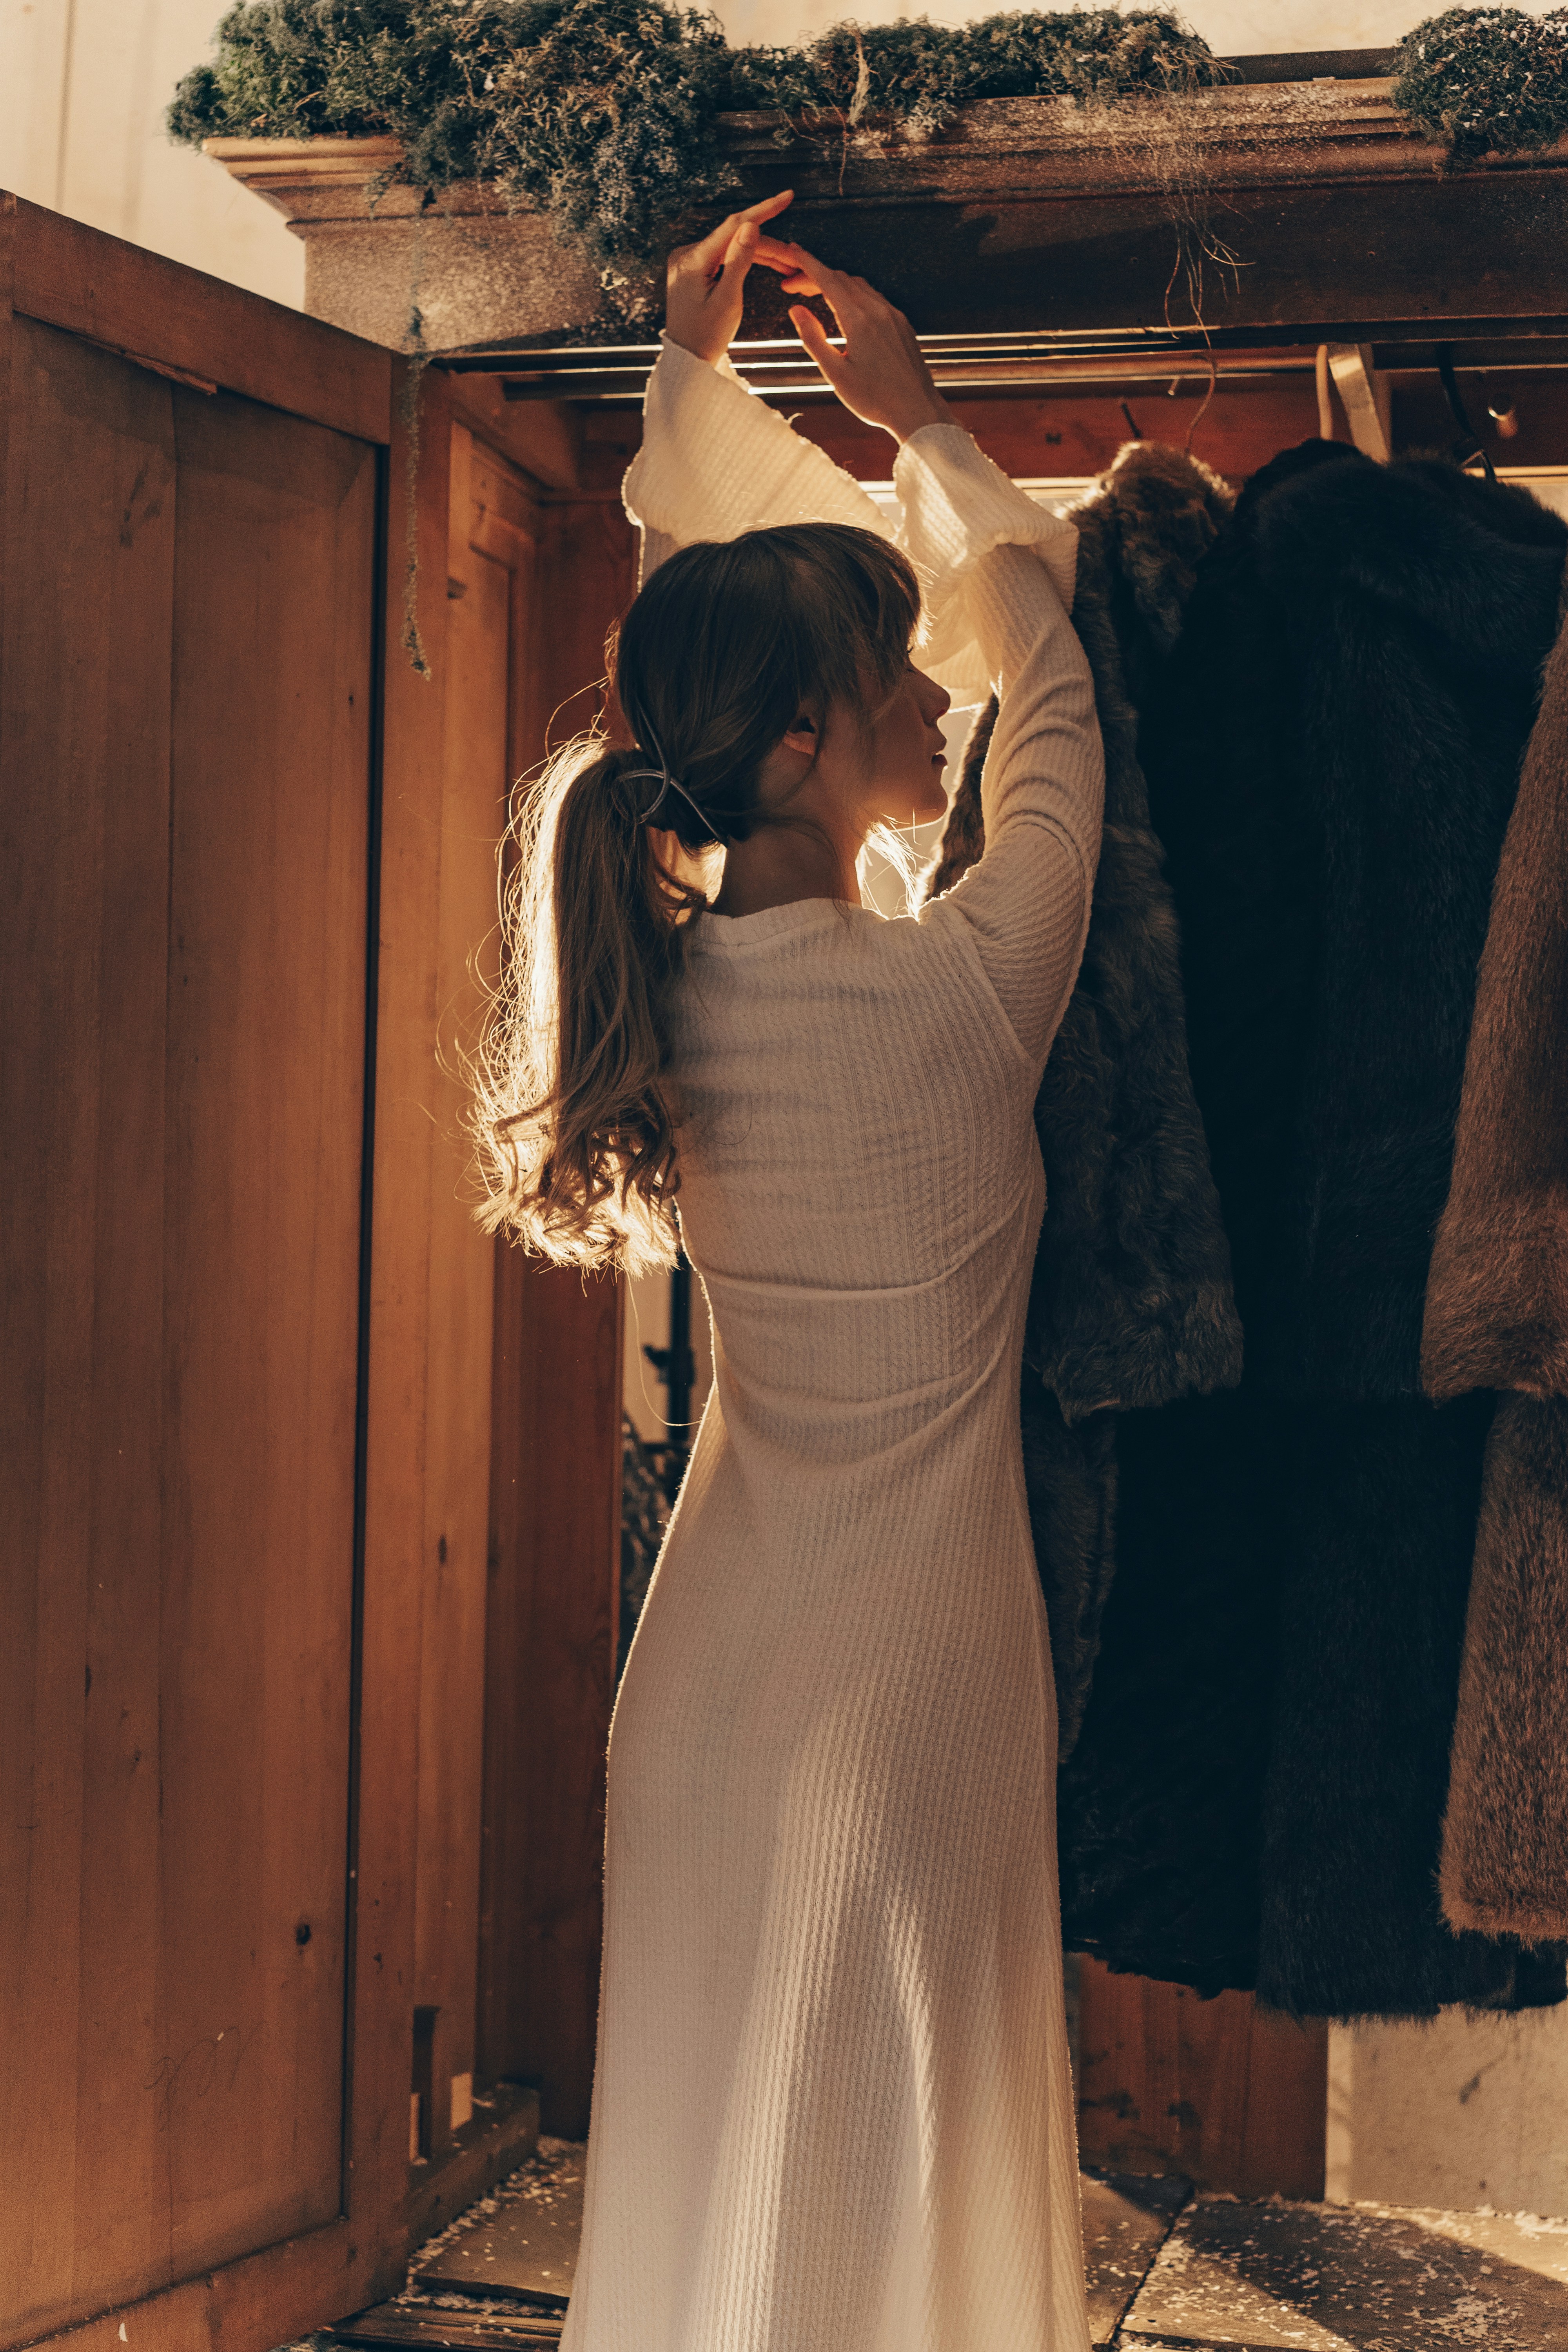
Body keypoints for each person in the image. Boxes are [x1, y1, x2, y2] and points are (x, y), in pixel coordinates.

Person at [474, 190, 1105, 2352]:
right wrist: (914, 425)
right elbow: (1054, 664)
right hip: (928, 1665)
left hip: (726, 1675)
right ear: (815, 758)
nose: (937, 701)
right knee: (906, 2163)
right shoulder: (973, 992)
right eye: (887, 689)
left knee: (730, 2156)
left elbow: (706, 658)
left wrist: (692, 383)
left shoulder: (662, 978)